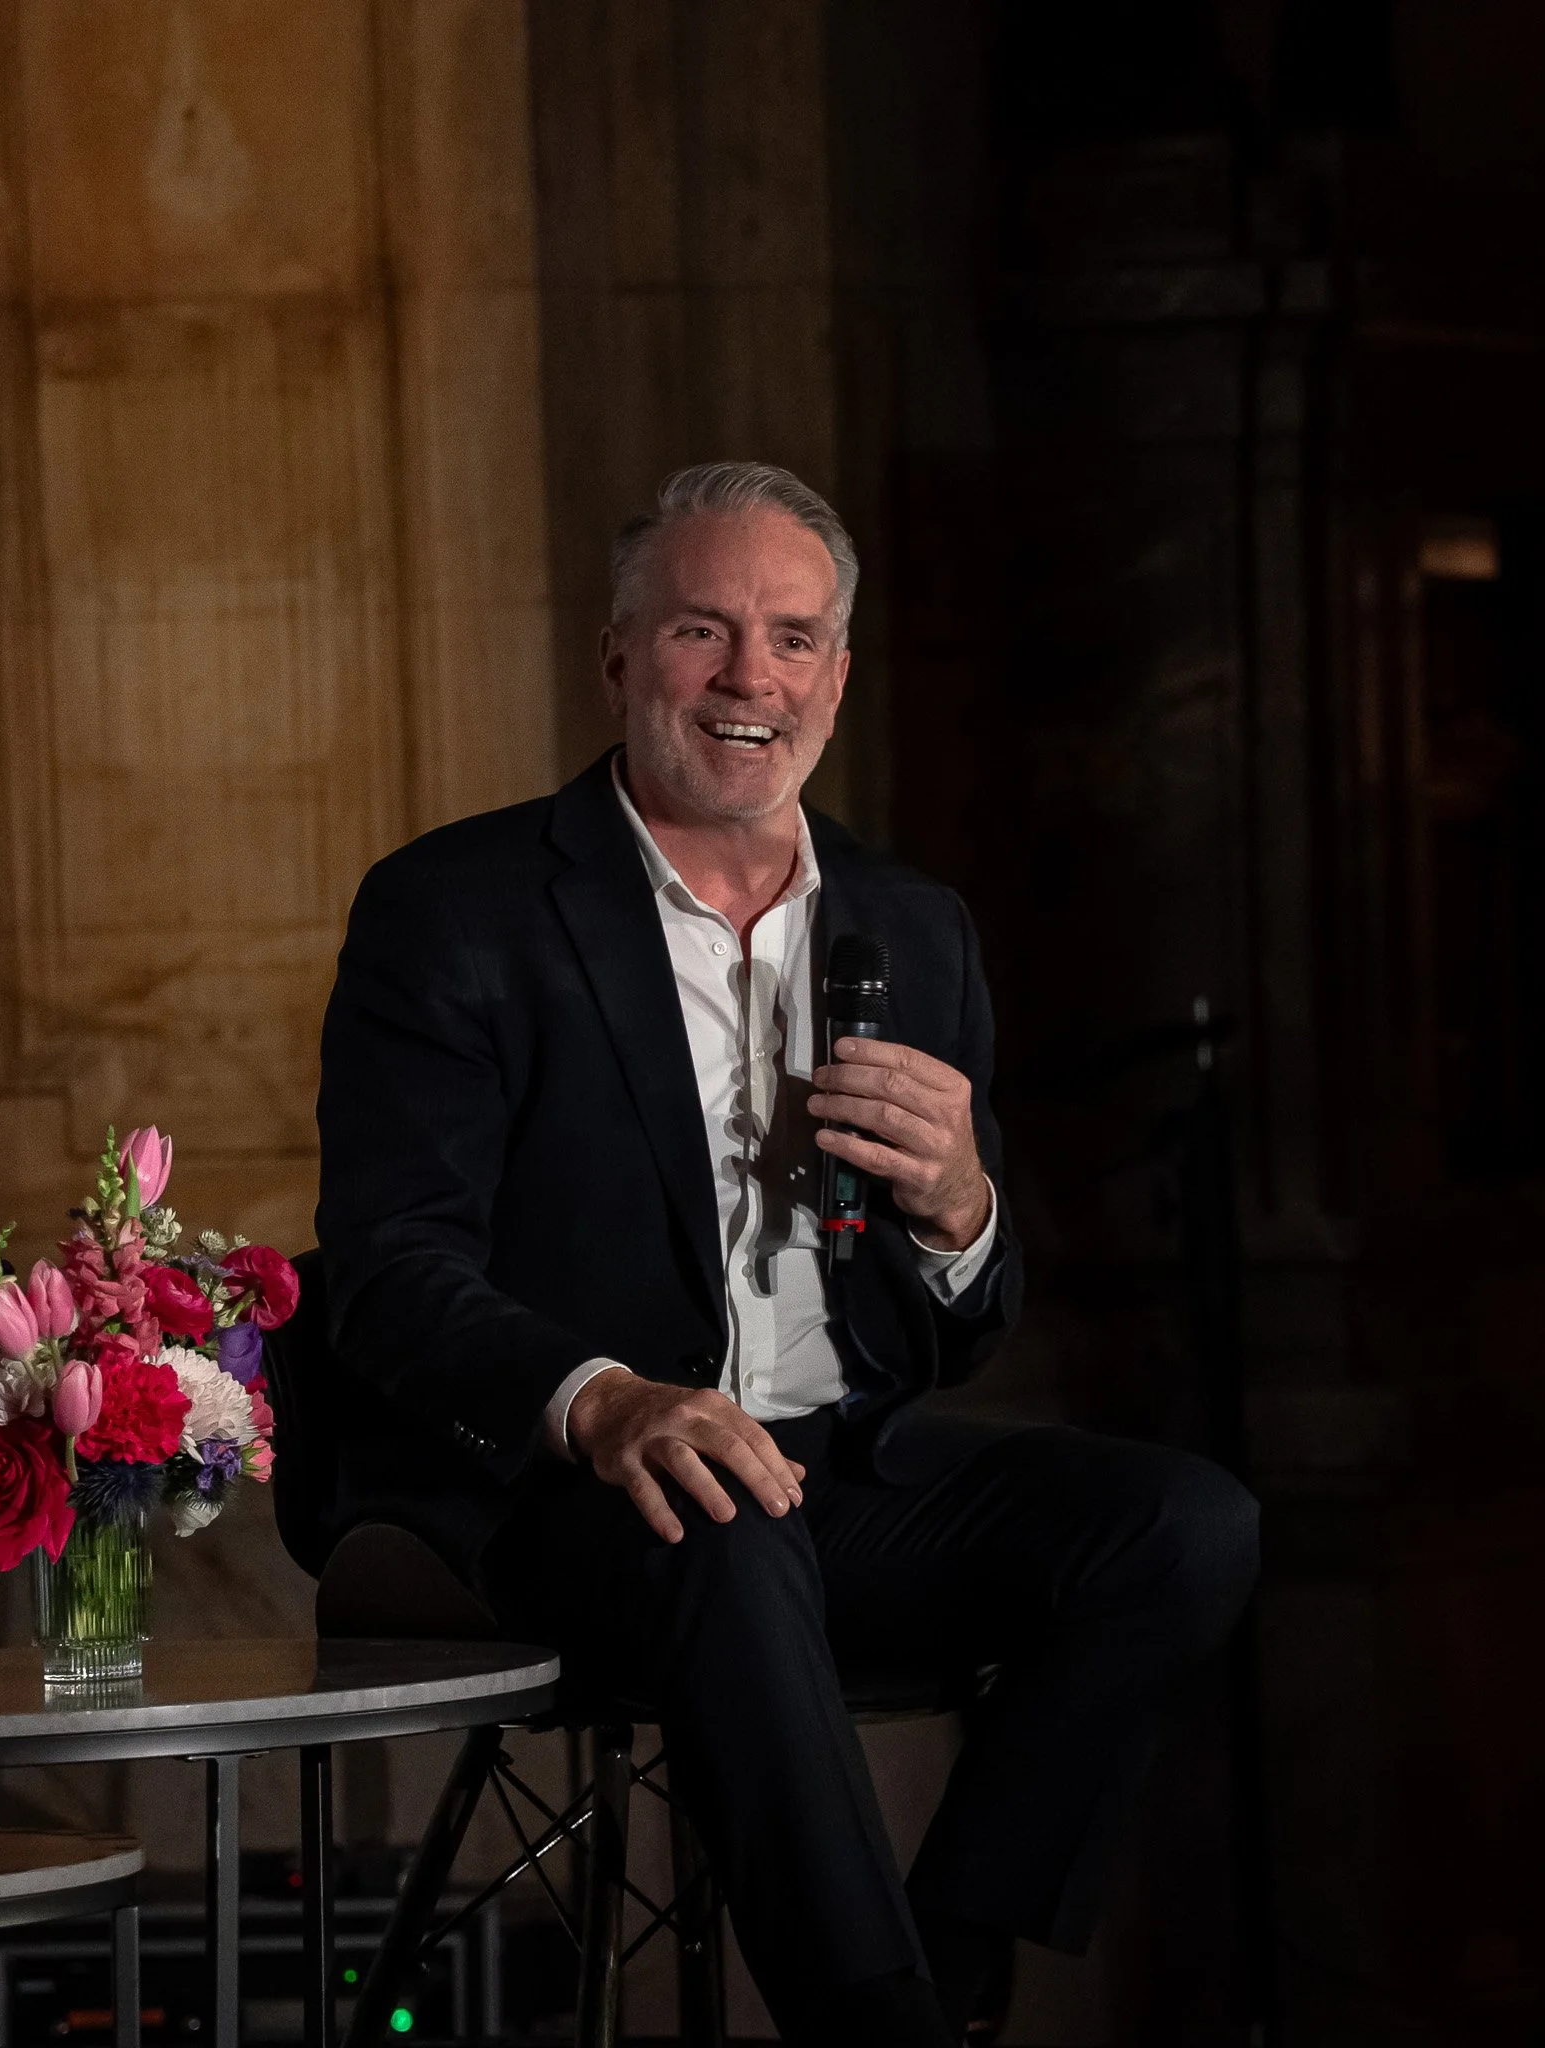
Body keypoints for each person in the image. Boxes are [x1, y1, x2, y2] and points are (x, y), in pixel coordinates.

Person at [316, 461, 1259, 2047]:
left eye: (795, 638)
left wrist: (960, 1209)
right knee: (725, 1522)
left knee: (1180, 1525)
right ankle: (871, 2024)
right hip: (565, 1493)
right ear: (619, 659)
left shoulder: (910, 922)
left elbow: (958, 1329)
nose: (751, 678)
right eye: (703, 630)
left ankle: (938, 1978)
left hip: (835, 1472)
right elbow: (389, 1269)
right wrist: (604, 1397)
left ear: (835, 671)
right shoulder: (456, 909)